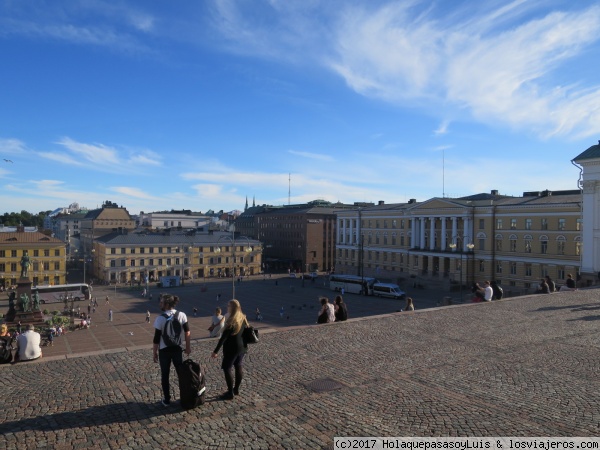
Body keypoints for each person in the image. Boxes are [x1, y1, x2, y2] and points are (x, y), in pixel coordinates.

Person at [153, 294, 191, 406]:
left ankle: (167, 400)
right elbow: (187, 332)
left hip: (164, 351)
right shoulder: (182, 315)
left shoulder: (160, 318)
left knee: (165, 375)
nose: (160, 304)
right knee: (181, 374)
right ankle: (184, 397)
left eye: (161, 302)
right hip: (177, 349)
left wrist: (154, 352)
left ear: (166, 304)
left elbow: (156, 338)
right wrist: (188, 347)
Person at [211, 299, 248, 400]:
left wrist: (215, 351)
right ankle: (236, 389)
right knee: (238, 366)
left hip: (231, 348)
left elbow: (223, 338)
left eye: (228, 306)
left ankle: (230, 392)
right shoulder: (242, 317)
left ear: (232, 308)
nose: (227, 307)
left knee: (227, 368)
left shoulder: (231, 321)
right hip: (242, 347)